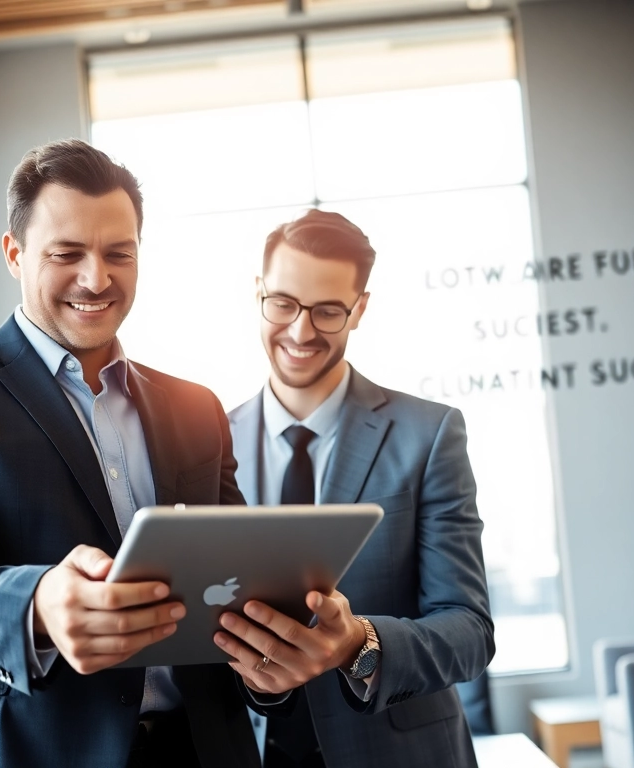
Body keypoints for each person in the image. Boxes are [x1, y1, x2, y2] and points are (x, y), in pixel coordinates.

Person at [0, 140, 261, 768]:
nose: (96, 278)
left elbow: (235, 575)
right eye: (66, 254)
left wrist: (273, 650)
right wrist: (37, 605)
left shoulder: (197, 406)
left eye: (119, 253)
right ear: (14, 253)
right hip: (20, 749)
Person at [215, 210, 494, 767]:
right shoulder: (206, 442)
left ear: (359, 309)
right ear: (258, 294)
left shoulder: (428, 434)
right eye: (284, 304)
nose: (300, 331)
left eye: (327, 311)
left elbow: (469, 628)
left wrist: (357, 645)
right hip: (255, 749)